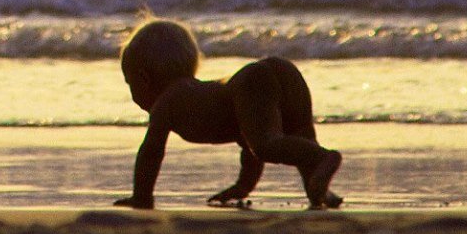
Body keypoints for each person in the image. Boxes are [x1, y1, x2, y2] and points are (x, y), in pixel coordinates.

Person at [114, 19, 343, 210]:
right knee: (296, 136)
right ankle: (321, 191)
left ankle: (323, 157)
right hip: (279, 70)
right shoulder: (204, 97)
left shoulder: (168, 102)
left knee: (268, 145)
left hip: (251, 80)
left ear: (144, 79)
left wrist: (141, 197)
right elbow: (249, 147)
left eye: (129, 82)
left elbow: (151, 153)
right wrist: (243, 186)